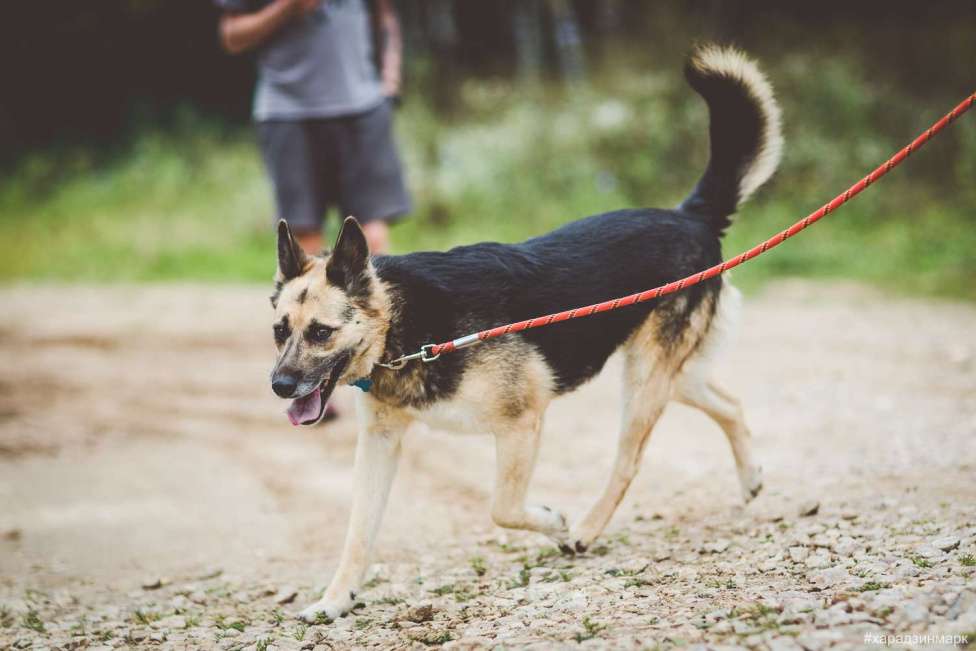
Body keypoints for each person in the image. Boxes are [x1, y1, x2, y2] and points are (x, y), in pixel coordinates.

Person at [215, 0, 411, 255]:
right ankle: (311, 296)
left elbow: (385, 13)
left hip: (363, 108)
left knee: (371, 238)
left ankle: (366, 297)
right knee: (304, 241)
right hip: (288, 112)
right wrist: (288, 7)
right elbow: (232, 36)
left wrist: (390, 81)